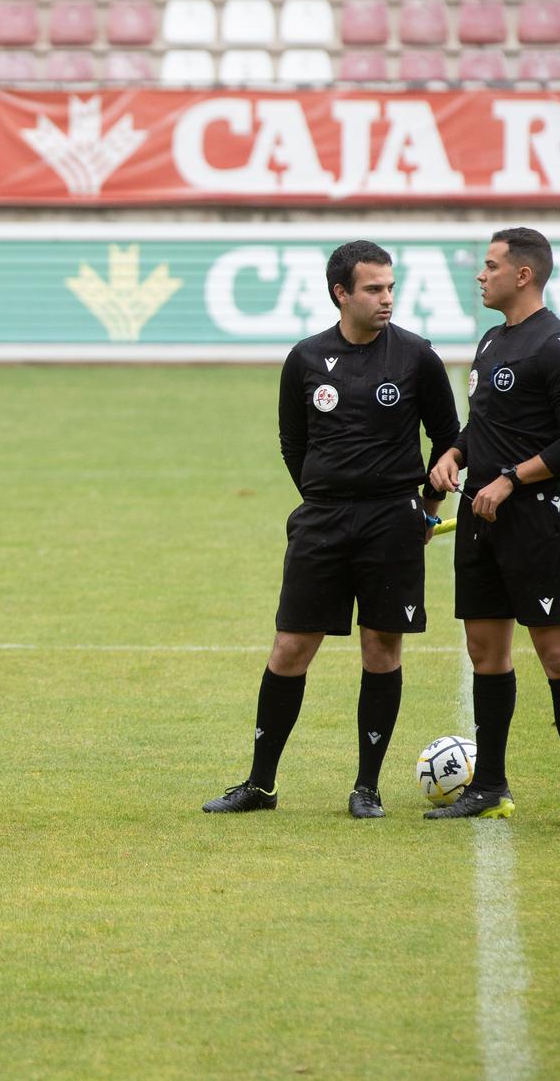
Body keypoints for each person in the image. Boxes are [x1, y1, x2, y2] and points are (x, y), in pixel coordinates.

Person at [205, 241, 460, 819]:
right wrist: (322, 496)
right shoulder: (305, 358)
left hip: (393, 521)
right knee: (291, 647)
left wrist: (424, 504)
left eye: (391, 287)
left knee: (380, 648)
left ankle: (366, 787)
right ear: (341, 293)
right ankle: (260, 784)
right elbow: (292, 443)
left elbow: (448, 438)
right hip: (321, 520)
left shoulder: (417, 357)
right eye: (373, 288)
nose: (386, 298)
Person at [427, 227, 560, 828]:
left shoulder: (556, 346)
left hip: (536, 519)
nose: (481, 275)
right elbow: (486, 428)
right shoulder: (489, 342)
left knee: (557, 653)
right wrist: (455, 452)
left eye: (491, 265)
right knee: (486, 651)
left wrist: (511, 479)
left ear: (523, 275)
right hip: (482, 518)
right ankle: (490, 786)